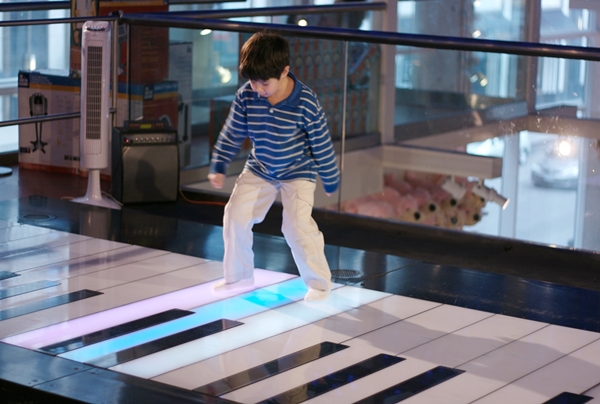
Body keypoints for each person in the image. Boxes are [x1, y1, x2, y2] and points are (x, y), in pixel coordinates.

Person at [208, 31, 340, 302]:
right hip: (261, 167)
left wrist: (330, 177)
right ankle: (239, 277)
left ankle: (320, 284)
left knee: (296, 226)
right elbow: (232, 131)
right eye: (253, 82)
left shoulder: (305, 102)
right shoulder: (247, 96)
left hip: (298, 170)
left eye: (264, 83)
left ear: (285, 71)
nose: (258, 89)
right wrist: (219, 163)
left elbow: (321, 142)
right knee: (235, 214)